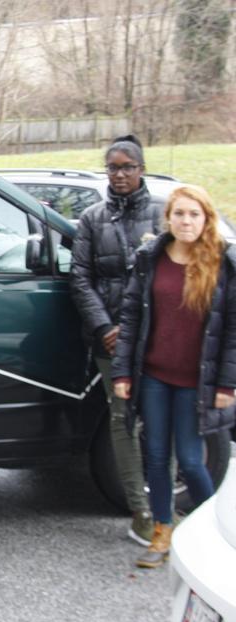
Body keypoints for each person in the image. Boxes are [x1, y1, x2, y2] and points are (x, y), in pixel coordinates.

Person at [112, 185, 235, 568]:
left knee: (192, 460)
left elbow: (232, 330)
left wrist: (227, 384)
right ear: (169, 218)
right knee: (155, 456)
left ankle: (215, 527)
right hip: (153, 377)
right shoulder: (151, 258)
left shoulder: (223, 263)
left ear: (206, 219)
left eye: (194, 214)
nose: (186, 221)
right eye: (179, 213)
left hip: (197, 383)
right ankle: (163, 530)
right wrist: (122, 371)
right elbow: (131, 317)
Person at [69, 134, 162, 546]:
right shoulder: (92, 218)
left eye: (127, 167)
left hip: (157, 338)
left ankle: (163, 508)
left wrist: (142, 325)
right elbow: (81, 278)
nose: (120, 174)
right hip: (110, 340)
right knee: (123, 421)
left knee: (162, 420)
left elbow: (173, 277)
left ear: (141, 169)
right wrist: (105, 328)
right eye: (113, 167)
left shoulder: (162, 215)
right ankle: (140, 510)